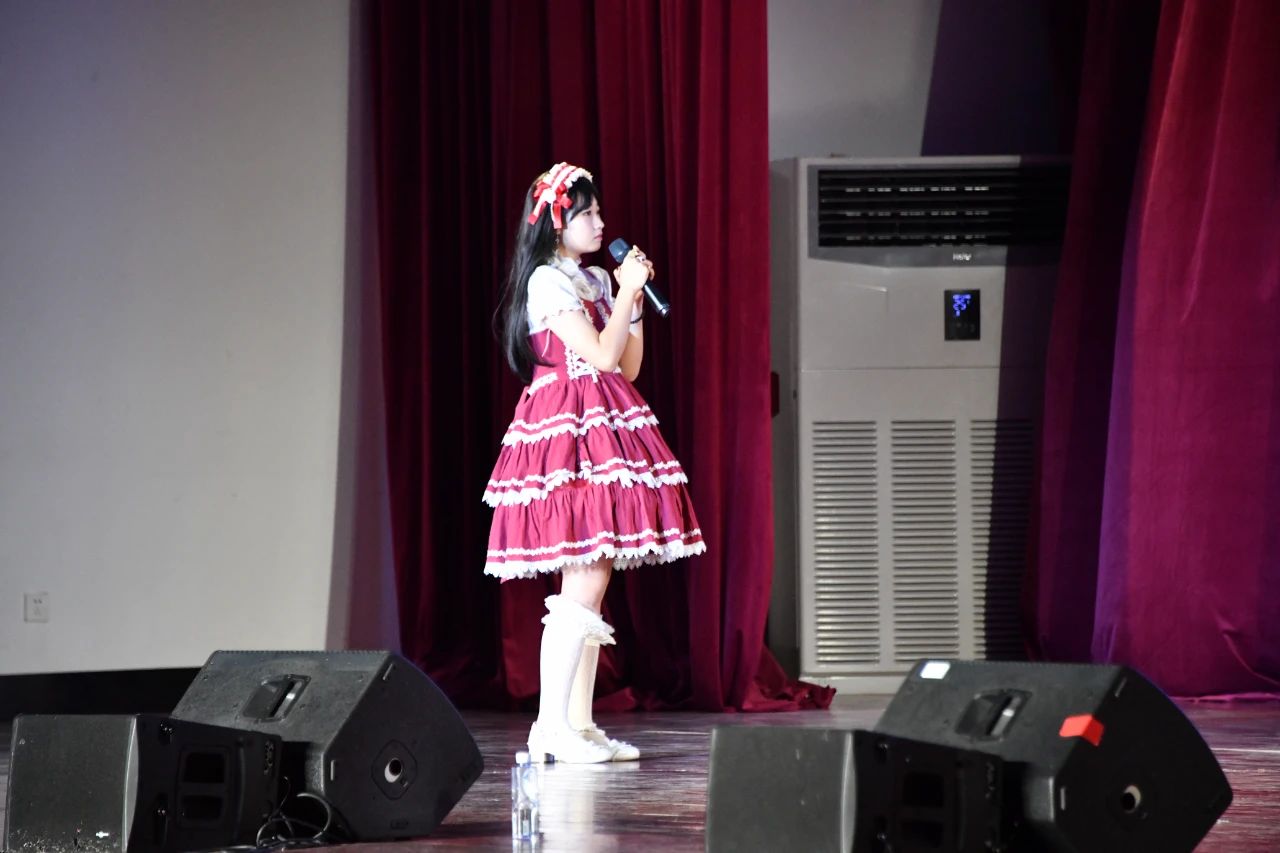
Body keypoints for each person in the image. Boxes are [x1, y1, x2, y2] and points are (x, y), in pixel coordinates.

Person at [483, 162, 705, 763]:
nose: (601, 223)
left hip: (603, 422)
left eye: (599, 212)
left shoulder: (595, 281)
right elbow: (601, 359)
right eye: (588, 214)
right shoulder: (546, 283)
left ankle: (577, 726)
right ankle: (549, 728)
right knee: (584, 575)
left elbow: (627, 366)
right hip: (567, 433)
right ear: (557, 224)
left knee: (593, 575)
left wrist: (631, 301)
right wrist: (628, 290)